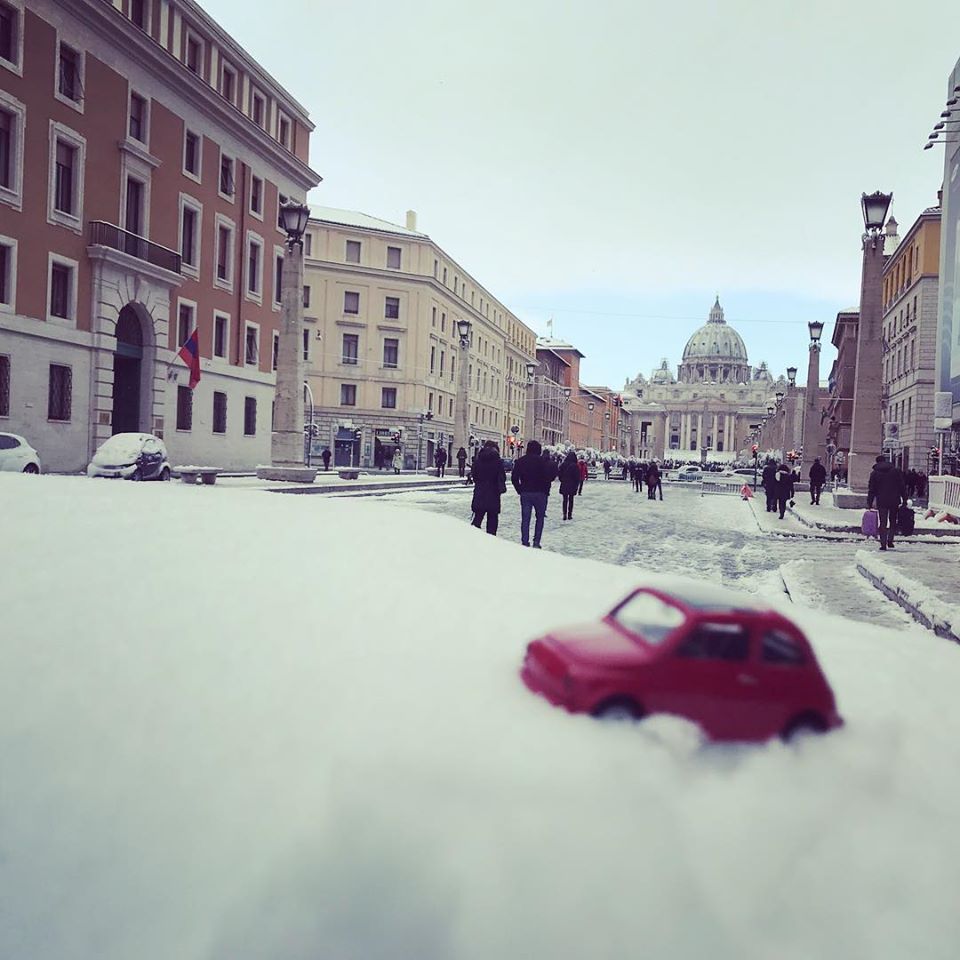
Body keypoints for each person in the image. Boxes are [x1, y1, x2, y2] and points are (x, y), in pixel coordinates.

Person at [511, 439, 556, 548]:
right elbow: (549, 477)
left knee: (525, 518)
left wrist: (519, 489)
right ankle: (536, 542)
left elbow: (514, 478)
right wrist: (545, 489)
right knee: (540, 518)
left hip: (526, 492)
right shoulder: (543, 462)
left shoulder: (521, 461)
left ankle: (525, 541)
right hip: (541, 493)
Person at [867, 455, 906, 550]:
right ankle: (890, 540)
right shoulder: (896, 471)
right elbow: (902, 486)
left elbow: (871, 489)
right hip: (894, 500)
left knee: (883, 522)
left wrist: (870, 502)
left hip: (882, 501)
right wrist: (904, 499)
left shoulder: (874, 473)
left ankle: (883, 543)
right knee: (893, 521)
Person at [470, 441, 507, 535]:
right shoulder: (498, 462)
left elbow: (474, 476)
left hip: (480, 493)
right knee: (492, 520)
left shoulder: (478, 460)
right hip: (493, 494)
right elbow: (502, 478)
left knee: (477, 518)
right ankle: (491, 541)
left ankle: (473, 539)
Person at [558, 450, 580, 521]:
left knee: (565, 500)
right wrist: (576, 485)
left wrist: (562, 480)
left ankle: (564, 514)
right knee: (571, 500)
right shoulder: (575, 466)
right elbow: (577, 477)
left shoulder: (563, 464)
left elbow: (559, 474)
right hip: (572, 485)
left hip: (564, 483)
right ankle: (569, 514)